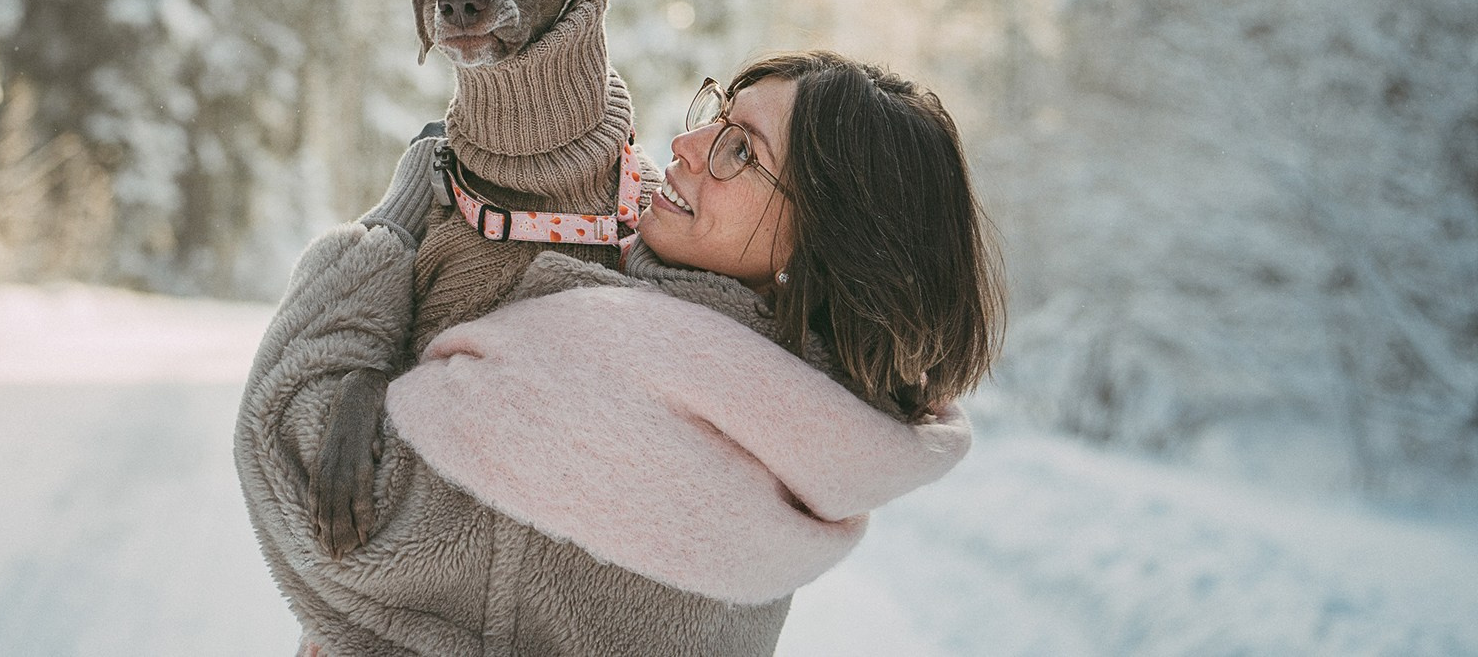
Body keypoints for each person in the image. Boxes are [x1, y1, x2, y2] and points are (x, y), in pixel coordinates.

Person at [235, 49, 1004, 657]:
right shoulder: (803, 418)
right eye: (716, 114)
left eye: (741, 150)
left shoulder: (622, 383)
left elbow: (291, 451)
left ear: (826, 244)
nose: (687, 143)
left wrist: (395, 222)